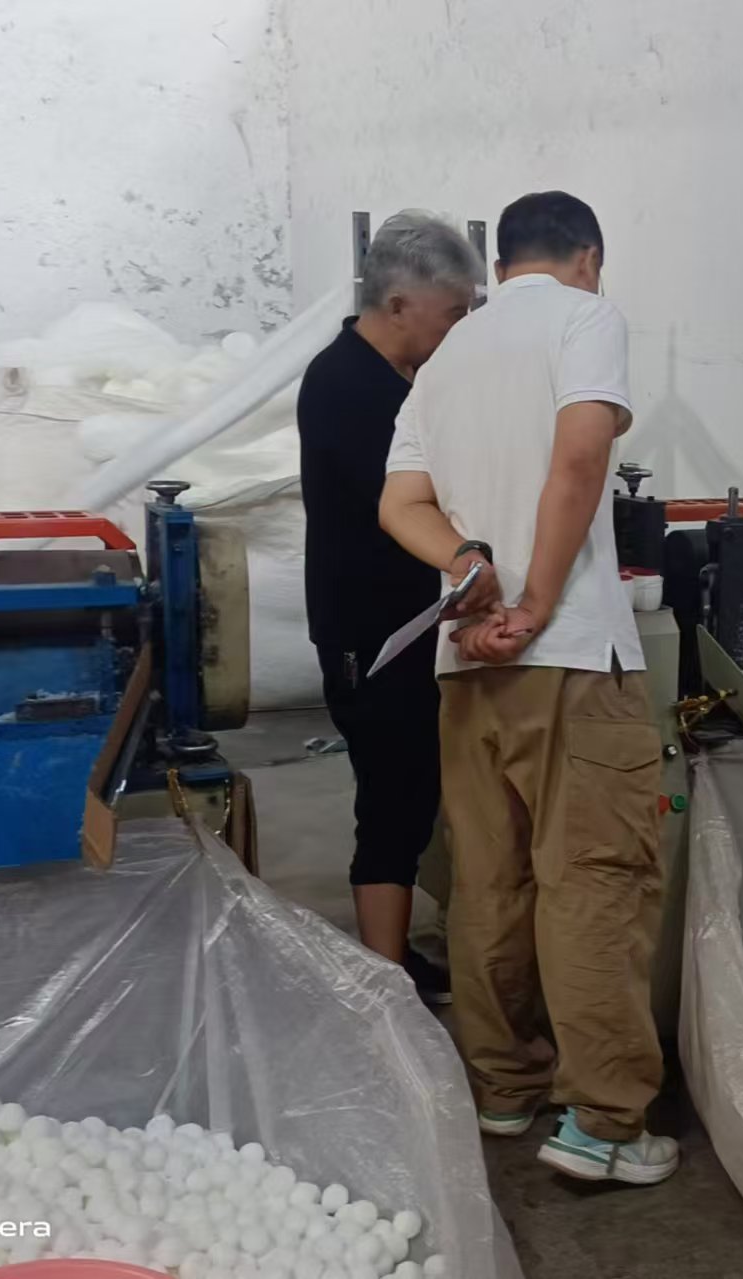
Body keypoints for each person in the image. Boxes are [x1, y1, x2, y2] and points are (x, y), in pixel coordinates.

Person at [377, 191, 677, 1186]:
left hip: (468, 662)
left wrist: (469, 563)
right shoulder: (586, 317)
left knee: (490, 879)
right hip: (571, 657)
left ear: (500, 265)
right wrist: (539, 597)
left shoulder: (448, 352)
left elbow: (399, 502)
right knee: (593, 880)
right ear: (588, 256)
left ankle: (504, 1086)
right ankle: (605, 1123)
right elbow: (581, 455)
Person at [297, 210, 483, 1004]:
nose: (460, 329)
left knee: (414, 792)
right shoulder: (346, 384)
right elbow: (408, 503)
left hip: (415, 620)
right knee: (392, 796)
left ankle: (398, 952)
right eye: (453, 313)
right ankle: (385, 978)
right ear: (400, 303)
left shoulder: (402, 380)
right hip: (368, 628)